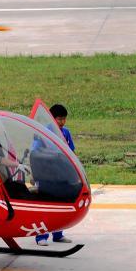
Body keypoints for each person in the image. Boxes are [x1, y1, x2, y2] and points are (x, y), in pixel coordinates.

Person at [36, 103, 76, 245]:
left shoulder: (66, 132)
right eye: (59, 119)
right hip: (47, 175)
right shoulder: (42, 133)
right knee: (45, 205)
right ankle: (41, 237)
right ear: (52, 119)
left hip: (61, 174)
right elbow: (36, 152)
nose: (62, 122)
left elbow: (71, 152)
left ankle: (58, 234)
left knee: (60, 205)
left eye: (64, 119)